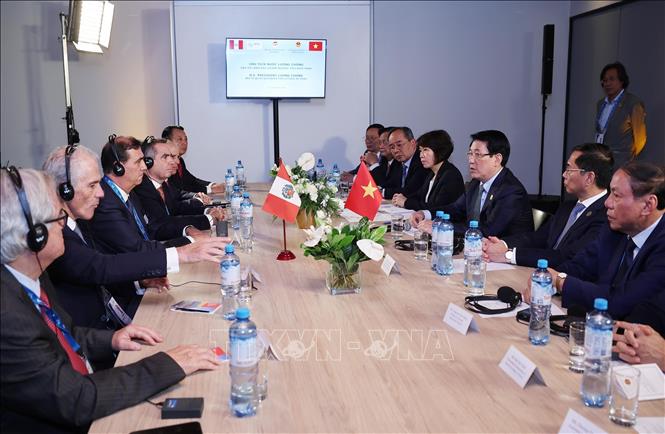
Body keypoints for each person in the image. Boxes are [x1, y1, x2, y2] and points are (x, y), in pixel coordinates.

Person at [0, 167, 222, 433]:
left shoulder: (28, 276)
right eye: (58, 215)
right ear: (35, 235)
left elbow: (63, 335)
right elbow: (77, 398)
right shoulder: (7, 315)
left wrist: (111, 339)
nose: (64, 223)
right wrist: (168, 364)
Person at [42, 145, 229, 329]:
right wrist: (182, 253)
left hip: (115, 313)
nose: (100, 193)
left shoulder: (77, 223)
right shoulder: (57, 236)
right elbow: (101, 266)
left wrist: (138, 282)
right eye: (92, 185)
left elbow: (100, 272)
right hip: (98, 331)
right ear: (65, 190)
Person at [521, 161, 665, 319]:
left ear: (648, 205)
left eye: (616, 196)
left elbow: (619, 301)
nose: (607, 203)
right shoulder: (615, 229)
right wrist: (547, 279)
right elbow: (580, 267)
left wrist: (560, 282)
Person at [483, 143, 612, 267]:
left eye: (569, 169)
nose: (564, 174)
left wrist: (509, 255)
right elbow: (538, 238)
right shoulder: (567, 207)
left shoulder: (605, 215)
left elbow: (565, 256)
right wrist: (503, 245)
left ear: (589, 178)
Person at [90, 135, 206, 254]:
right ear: (118, 168)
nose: (144, 167)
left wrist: (186, 230)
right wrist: (190, 241)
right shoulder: (105, 203)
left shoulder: (130, 194)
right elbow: (138, 250)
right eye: (138, 162)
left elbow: (152, 230)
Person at [411, 130, 533, 237]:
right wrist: (425, 214)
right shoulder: (475, 183)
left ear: (497, 159)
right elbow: (455, 209)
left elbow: (489, 231)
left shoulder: (510, 191)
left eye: (478, 154)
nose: (471, 160)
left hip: (505, 253)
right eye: (470, 153)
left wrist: (439, 227)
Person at [134, 137, 226, 241]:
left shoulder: (162, 184)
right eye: (165, 157)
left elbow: (176, 209)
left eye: (171, 156)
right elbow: (162, 225)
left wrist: (208, 210)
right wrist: (209, 219)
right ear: (148, 162)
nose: (172, 161)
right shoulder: (142, 189)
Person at [391, 129, 464, 212]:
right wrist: (401, 198)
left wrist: (406, 202)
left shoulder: (451, 175)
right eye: (420, 150)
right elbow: (419, 195)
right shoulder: (431, 173)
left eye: (425, 150)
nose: (421, 155)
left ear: (439, 151)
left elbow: (437, 207)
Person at [595, 62, 646, 169]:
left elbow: (640, 139)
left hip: (622, 163)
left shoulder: (633, 103)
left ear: (621, 81)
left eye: (611, 79)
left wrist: (628, 158)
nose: (607, 83)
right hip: (601, 161)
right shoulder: (601, 104)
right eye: (605, 80)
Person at [162, 125, 225, 194]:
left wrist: (212, 185)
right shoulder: (165, 163)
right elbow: (180, 189)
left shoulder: (180, 161)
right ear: (167, 141)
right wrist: (210, 189)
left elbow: (192, 180)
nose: (184, 143)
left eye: (186, 139)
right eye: (180, 139)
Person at [382, 126, 429, 200]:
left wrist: (382, 192)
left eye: (399, 145)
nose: (396, 150)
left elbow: (411, 190)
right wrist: (377, 189)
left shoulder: (422, 161)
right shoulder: (397, 162)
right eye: (392, 147)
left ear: (413, 143)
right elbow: (390, 183)